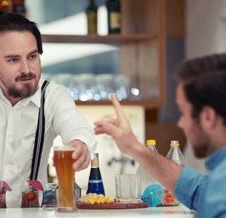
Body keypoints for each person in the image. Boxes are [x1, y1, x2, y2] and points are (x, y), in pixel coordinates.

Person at [0, 13, 97, 208]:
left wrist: (80, 144)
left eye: (32, 56)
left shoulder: (53, 95)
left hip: (30, 213)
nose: (27, 69)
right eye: (13, 60)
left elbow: (72, 121)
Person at [94, 54, 226, 217]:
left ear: (208, 117)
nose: (180, 123)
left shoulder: (220, 196)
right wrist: (133, 147)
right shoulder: (219, 184)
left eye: (183, 112)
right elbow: (197, 189)